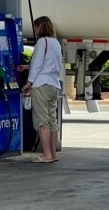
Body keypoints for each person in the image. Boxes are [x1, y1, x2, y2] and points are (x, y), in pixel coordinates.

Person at [18, 16, 63, 163]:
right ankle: (54, 154)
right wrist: (26, 67)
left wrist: (28, 83)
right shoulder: (56, 43)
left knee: (42, 121)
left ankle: (46, 155)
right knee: (52, 120)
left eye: (36, 27)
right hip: (54, 84)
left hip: (41, 85)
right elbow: (50, 64)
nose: (35, 30)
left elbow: (37, 64)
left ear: (40, 27)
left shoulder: (40, 43)